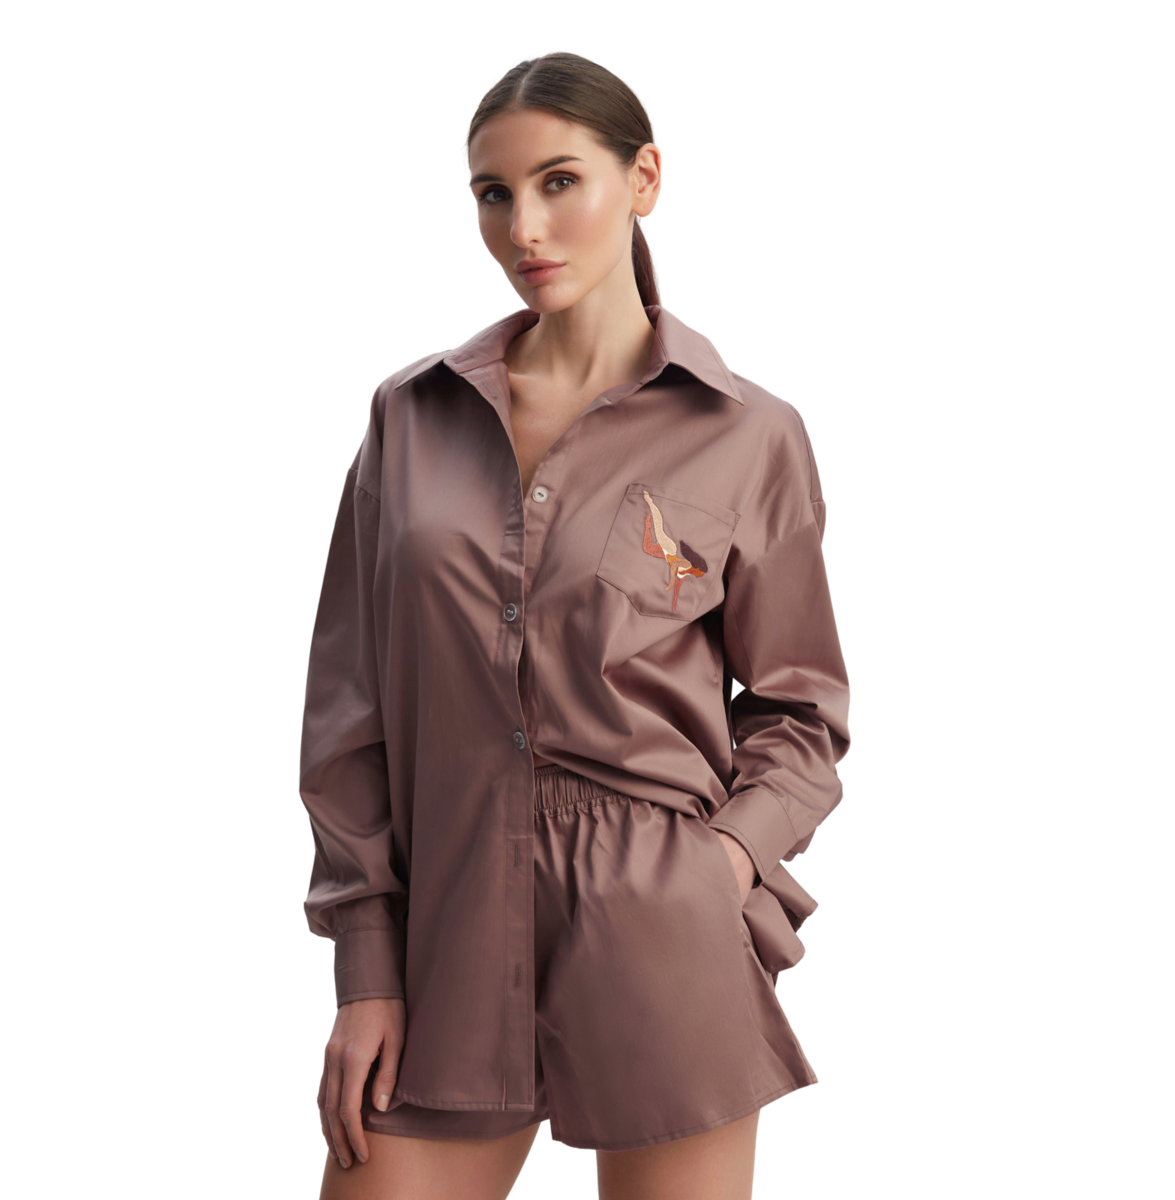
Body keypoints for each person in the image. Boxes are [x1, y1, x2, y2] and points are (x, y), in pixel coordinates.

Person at [301, 50, 853, 1200]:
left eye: (560, 182)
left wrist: (722, 865)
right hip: (444, 935)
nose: (524, 228)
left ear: (645, 178)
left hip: (661, 931)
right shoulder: (407, 414)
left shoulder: (751, 433)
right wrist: (365, 971)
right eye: (492, 193)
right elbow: (347, 716)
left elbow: (803, 712)